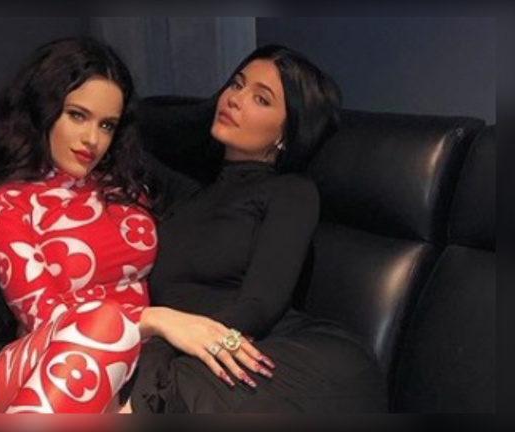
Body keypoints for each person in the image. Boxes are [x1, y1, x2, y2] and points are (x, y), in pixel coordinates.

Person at [121, 44, 388, 413]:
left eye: (261, 99)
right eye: (236, 84)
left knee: (164, 388)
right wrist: (202, 111)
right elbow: (132, 125)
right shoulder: (186, 194)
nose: (235, 99)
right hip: (196, 356)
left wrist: (169, 338)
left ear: (286, 134)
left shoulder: (291, 191)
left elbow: (261, 305)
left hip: (289, 355)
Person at [0, 36, 160, 413]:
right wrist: (157, 320)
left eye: (107, 125)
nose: (92, 139)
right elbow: (45, 317)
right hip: (35, 373)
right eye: (77, 115)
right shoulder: (4, 203)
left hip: (127, 375)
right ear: (43, 110)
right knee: (106, 323)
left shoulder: (125, 189)